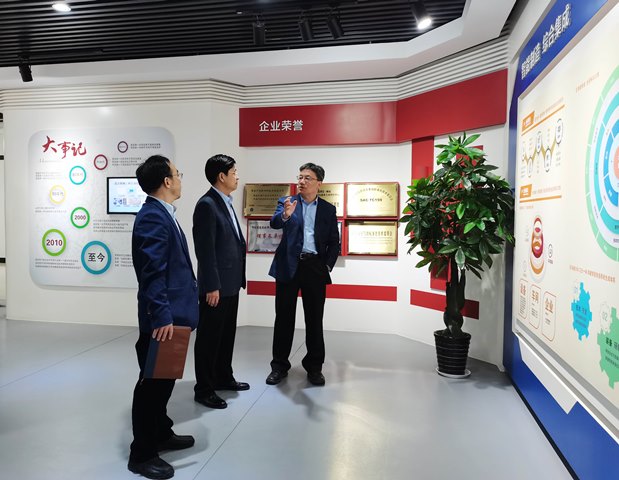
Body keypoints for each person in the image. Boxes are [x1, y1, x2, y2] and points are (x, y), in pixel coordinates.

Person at [128, 155, 199, 480]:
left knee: (165, 380)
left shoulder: (163, 213)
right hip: (163, 320)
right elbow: (152, 273)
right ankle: (142, 454)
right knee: (152, 386)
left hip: (173, 315)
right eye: (177, 173)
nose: (180, 178)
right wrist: (161, 317)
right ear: (167, 181)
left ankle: (160, 431)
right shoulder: (153, 218)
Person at [266, 163, 340, 386]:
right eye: (300, 177)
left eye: (308, 178)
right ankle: (279, 366)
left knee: (314, 320)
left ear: (319, 183)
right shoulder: (287, 202)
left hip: (314, 267)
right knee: (283, 319)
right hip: (288, 266)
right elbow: (274, 223)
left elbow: (334, 242)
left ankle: (314, 367)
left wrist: (327, 266)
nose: (302, 181)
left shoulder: (328, 209)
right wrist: (285, 215)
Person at [193, 154, 249, 409]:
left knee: (226, 335)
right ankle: (204, 389)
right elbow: (205, 251)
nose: (237, 176)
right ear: (221, 176)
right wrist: (211, 285)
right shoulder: (207, 204)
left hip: (230, 283)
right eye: (234, 172)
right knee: (209, 338)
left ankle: (223, 377)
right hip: (216, 287)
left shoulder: (225, 201)